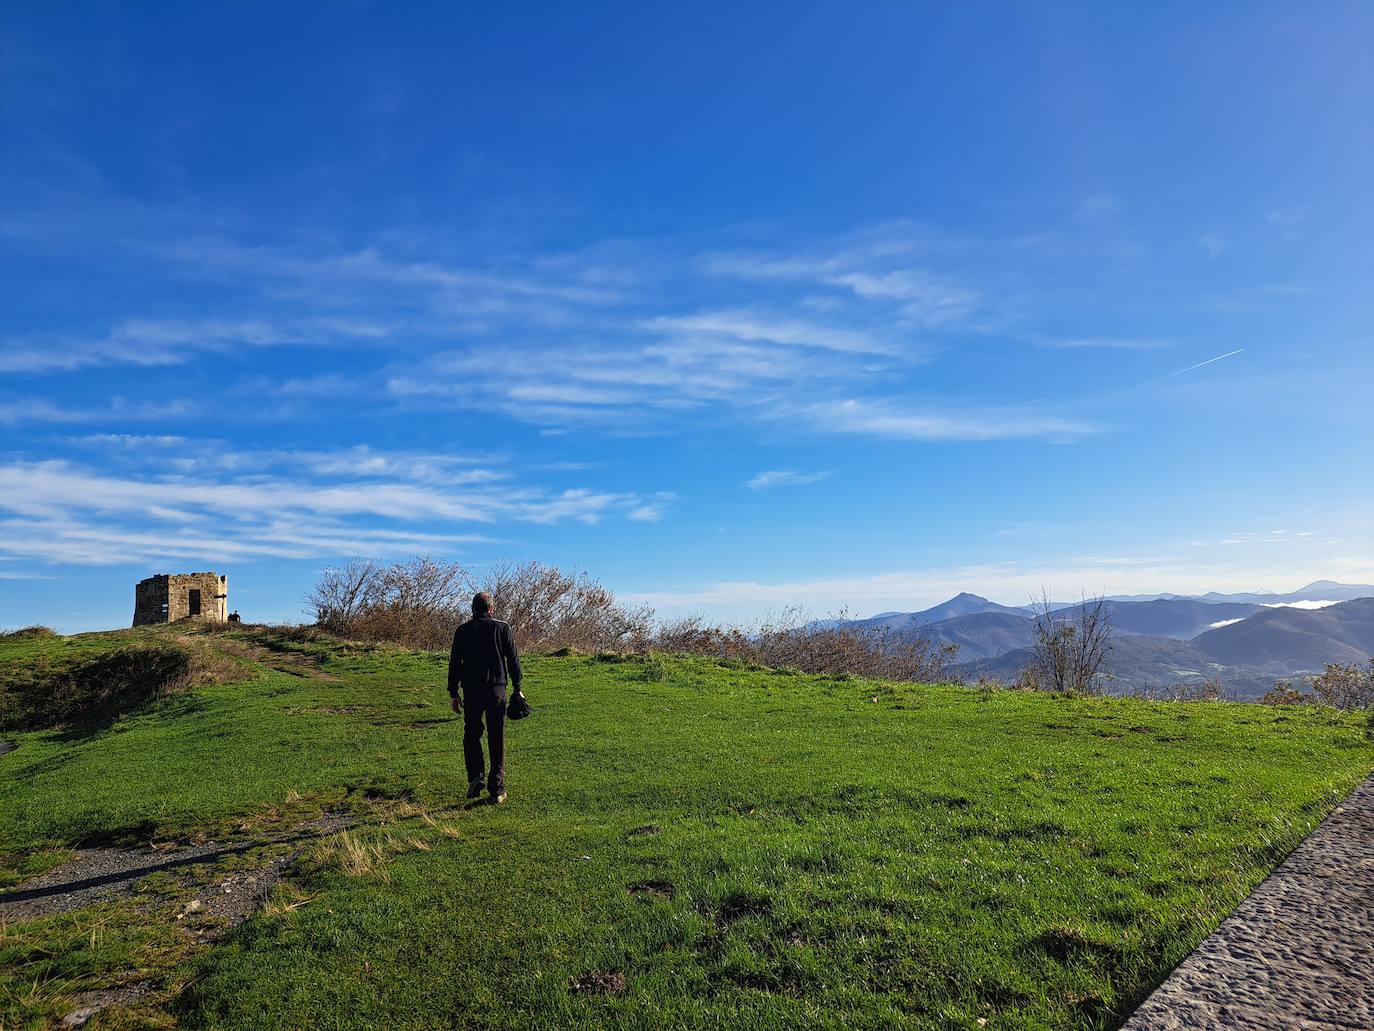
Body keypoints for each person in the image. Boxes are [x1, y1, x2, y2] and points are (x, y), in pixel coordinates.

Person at [447, 591, 522, 804]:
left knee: (471, 734)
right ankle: (497, 789)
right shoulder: (502, 628)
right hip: (497, 689)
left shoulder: (462, 631)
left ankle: (475, 775)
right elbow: (513, 659)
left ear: (473, 609)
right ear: (491, 608)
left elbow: (455, 663)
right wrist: (517, 687)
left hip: (472, 690)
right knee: (496, 737)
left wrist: (453, 692)